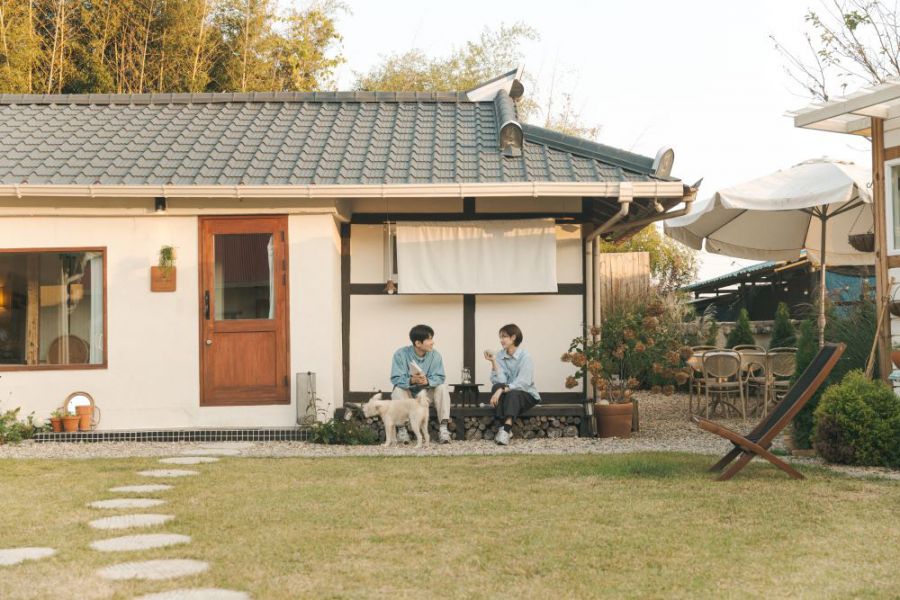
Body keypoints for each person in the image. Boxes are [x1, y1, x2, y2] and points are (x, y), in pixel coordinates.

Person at [390, 324, 451, 444]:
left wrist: (427, 381)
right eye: (429, 339)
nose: (433, 342)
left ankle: (443, 429)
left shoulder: (435, 355)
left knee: (442, 387)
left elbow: (440, 377)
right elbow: (395, 378)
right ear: (418, 343)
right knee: (397, 390)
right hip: (409, 396)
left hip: (426, 395)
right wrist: (411, 380)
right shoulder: (400, 354)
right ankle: (402, 430)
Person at [484, 323, 540, 445]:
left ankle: (506, 428)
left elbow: (523, 383)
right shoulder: (500, 355)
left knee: (512, 393)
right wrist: (493, 362)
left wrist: (501, 390)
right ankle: (503, 429)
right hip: (509, 393)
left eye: (504, 336)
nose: (501, 340)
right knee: (496, 386)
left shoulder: (525, 356)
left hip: (526, 394)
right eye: (500, 337)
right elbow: (500, 381)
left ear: (513, 337)